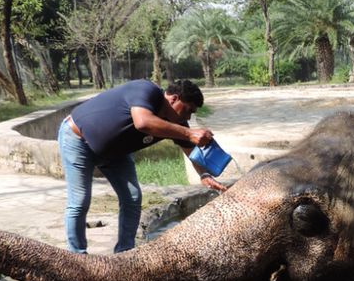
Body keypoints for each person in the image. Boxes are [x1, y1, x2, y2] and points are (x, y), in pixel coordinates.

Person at [57, 79, 228, 254]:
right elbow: (143, 122)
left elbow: (191, 151)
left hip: (115, 153)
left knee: (132, 197)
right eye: (189, 110)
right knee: (79, 201)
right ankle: (77, 255)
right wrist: (189, 133)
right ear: (174, 99)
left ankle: (125, 252)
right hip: (77, 140)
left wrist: (204, 175)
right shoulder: (146, 90)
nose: (189, 117)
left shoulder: (178, 124)